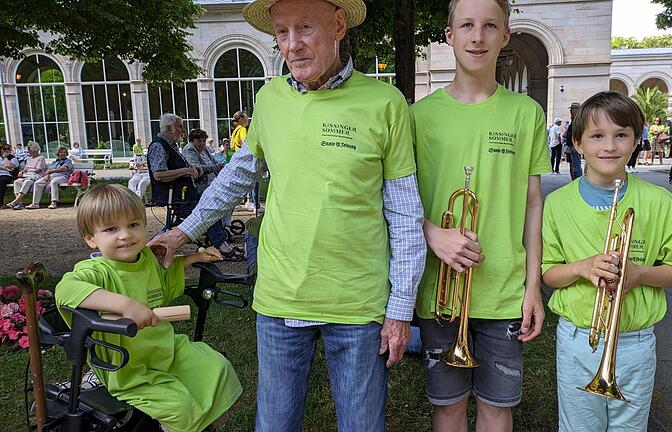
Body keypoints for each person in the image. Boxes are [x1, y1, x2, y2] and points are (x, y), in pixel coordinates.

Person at [148, 0, 426, 430]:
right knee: (275, 424)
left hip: (357, 303)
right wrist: (182, 233)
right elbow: (235, 178)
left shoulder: (385, 103)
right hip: (280, 299)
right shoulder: (270, 99)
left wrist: (400, 310)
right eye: (281, 32)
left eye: (304, 28)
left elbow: (405, 213)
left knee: (362, 425)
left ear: (337, 26)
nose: (291, 45)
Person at [411, 0, 549, 430]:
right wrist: (433, 233)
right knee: (448, 407)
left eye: (490, 26)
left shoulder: (526, 113)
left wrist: (533, 286)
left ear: (505, 36)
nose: (477, 36)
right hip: (441, 293)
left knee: (497, 407)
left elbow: (532, 203)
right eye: (466, 25)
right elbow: (396, 200)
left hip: (504, 291)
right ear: (449, 36)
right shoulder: (418, 117)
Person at [541, 91, 672, 432]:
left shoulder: (659, 201)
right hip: (577, 338)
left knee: (630, 426)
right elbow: (550, 274)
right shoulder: (557, 204)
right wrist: (582, 267)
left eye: (621, 134)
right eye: (597, 136)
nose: (609, 146)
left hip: (635, 342)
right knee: (578, 426)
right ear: (578, 144)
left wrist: (639, 274)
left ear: (636, 141)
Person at [55, 184, 242, 432]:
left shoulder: (146, 260)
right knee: (180, 406)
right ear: (91, 239)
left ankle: (203, 424)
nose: (125, 235)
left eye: (133, 225)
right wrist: (126, 305)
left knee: (218, 369)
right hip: (128, 366)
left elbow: (164, 277)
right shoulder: (95, 271)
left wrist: (195, 258)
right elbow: (65, 290)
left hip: (165, 348)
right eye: (111, 229)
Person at [147, 113, 244, 260]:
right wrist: (186, 171)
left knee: (210, 205)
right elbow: (158, 175)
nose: (182, 130)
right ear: (168, 128)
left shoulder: (170, 145)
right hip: (175, 195)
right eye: (179, 126)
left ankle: (221, 243)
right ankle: (222, 246)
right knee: (207, 209)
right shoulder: (159, 145)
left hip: (185, 192)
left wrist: (191, 169)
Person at [7, 141, 46, 210]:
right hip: (27, 175)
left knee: (27, 182)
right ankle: (19, 204)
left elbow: (38, 170)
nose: (28, 151)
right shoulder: (29, 158)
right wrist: (21, 172)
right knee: (17, 182)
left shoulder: (41, 158)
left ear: (34, 149)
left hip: (36, 175)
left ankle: (16, 201)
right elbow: (25, 169)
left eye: (29, 149)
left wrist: (29, 170)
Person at [563, 102, 583, 179]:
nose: (570, 111)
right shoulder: (574, 119)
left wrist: (576, 145)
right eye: (571, 109)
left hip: (574, 145)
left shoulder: (578, 120)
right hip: (570, 145)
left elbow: (578, 132)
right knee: (572, 164)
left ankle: (577, 180)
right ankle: (574, 180)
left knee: (576, 165)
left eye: (572, 109)